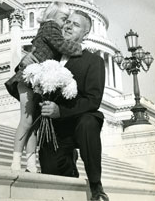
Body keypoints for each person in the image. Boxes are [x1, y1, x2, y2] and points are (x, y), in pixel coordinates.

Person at [25, 10, 109, 201]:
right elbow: (23, 85)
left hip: (80, 121)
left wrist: (60, 111)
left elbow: (93, 100)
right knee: (51, 170)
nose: (69, 26)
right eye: (68, 21)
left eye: (76, 25)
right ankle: (69, 163)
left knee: (89, 122)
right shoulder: (48, 56)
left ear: (85, 33)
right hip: (55, 128)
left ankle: (96, 186)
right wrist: (25, 65)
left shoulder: (93, 61)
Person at [5, 2, 82, 172]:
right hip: (30, 77)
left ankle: (31, 164)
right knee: (26, 122)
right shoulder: (51, 27)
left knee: (34, 126)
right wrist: (79, 46)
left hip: (39, 80)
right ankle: (16, 160)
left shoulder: (49, 29)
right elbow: (63, 46)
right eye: (64, 19)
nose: (66, 24)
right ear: (54, 16)